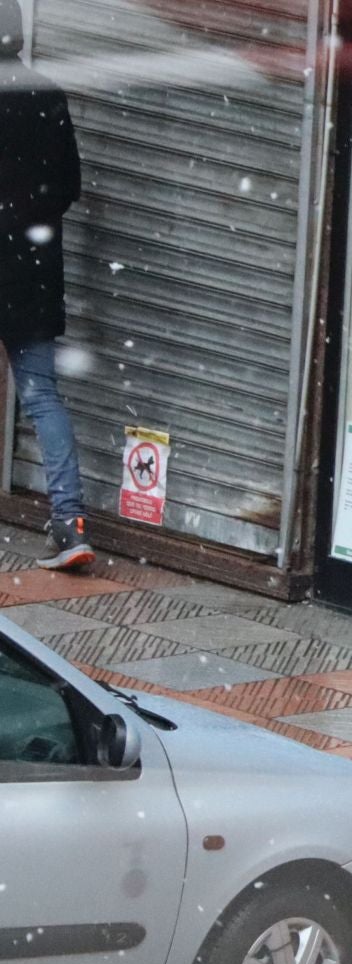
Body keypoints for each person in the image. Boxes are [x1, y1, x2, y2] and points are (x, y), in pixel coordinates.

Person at [0, 0, 92, 571]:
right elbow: (69, 185)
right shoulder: (47, 93)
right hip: (30, 271)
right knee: (41, 396)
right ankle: (69, 523)